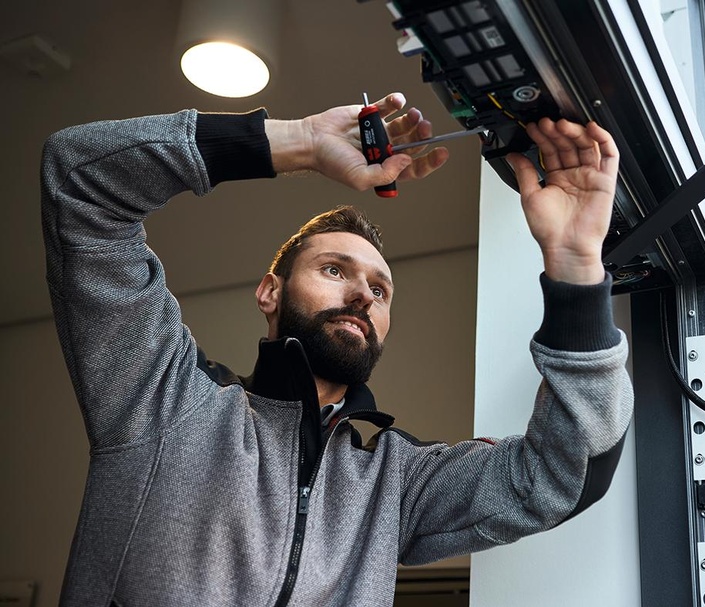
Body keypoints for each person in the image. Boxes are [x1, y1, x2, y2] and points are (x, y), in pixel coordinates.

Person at [41, 92, 634, 607]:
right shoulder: (165, 399)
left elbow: (564, 474)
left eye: (380, 290)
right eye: (333, 269)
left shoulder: (395, 481)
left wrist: (577, 266)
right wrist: (299, 142)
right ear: (270, 292)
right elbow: (79, 180)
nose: (361, 295)